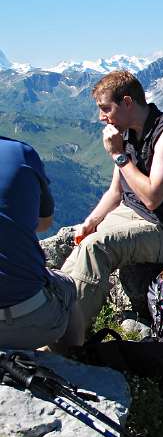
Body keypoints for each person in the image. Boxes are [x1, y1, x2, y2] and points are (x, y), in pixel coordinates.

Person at [60, 70, 163, 344]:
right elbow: (116, 190)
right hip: (132, 214)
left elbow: (152, 198)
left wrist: (118, 155)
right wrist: (90, 221)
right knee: (81, 245)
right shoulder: (130, 133)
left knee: (95, 248)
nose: (102, 117)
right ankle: (53, 317)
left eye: (105, 109)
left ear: (127, 102)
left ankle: (67, 342)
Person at [0, 138, 80, 349]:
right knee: (67, 285)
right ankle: (75, 361)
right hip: (32, 322)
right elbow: (44, 223)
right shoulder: (21, 153)